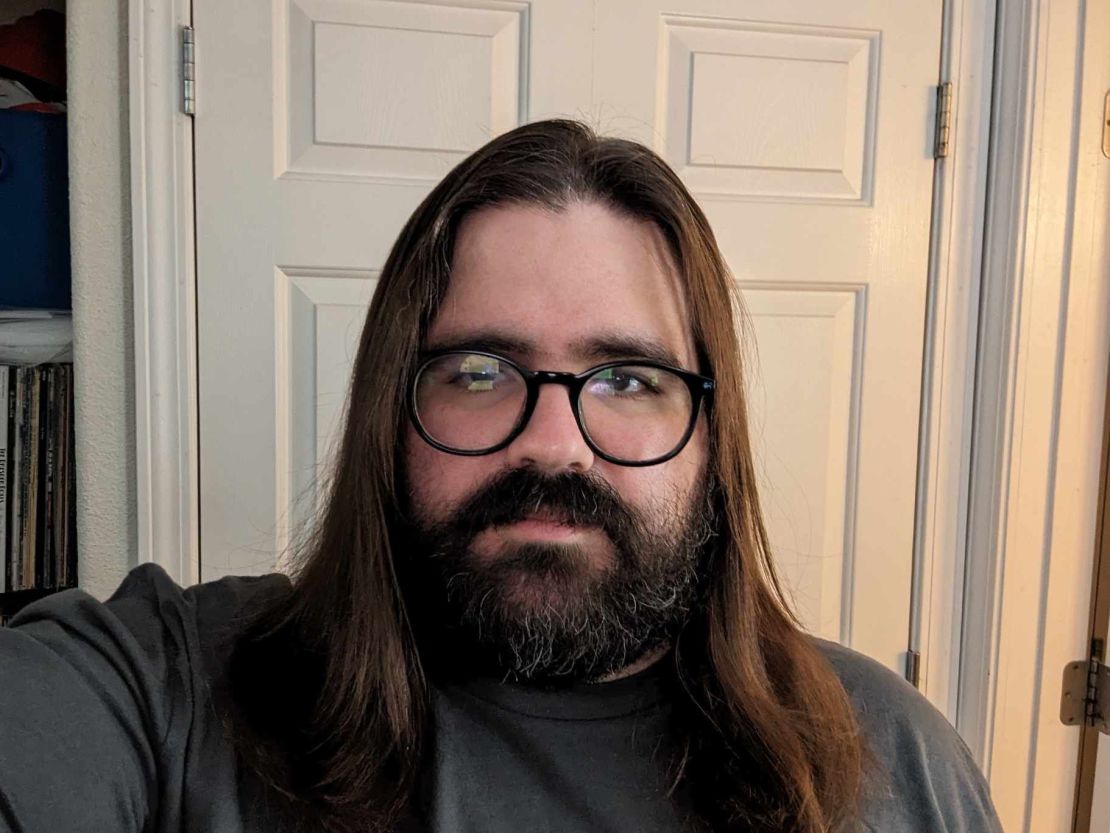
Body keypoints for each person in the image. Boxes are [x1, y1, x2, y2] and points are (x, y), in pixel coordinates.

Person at [0, 119, 1002, 833]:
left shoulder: (894, 762)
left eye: (628, 378)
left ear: (711, 433)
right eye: (480, 372)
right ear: (392, 412)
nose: (556, 446)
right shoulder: (178, 691)